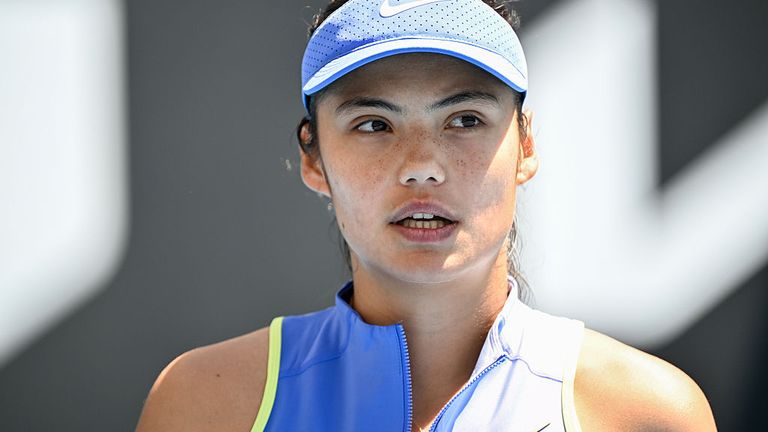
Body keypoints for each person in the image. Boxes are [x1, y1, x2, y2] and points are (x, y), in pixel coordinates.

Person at [135, 0, 717, 431]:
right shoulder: (204, 404)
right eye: (374, 124)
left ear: (525, 144)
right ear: (313, 158)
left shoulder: (644, 414)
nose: (421, 166)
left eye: (464, 119)